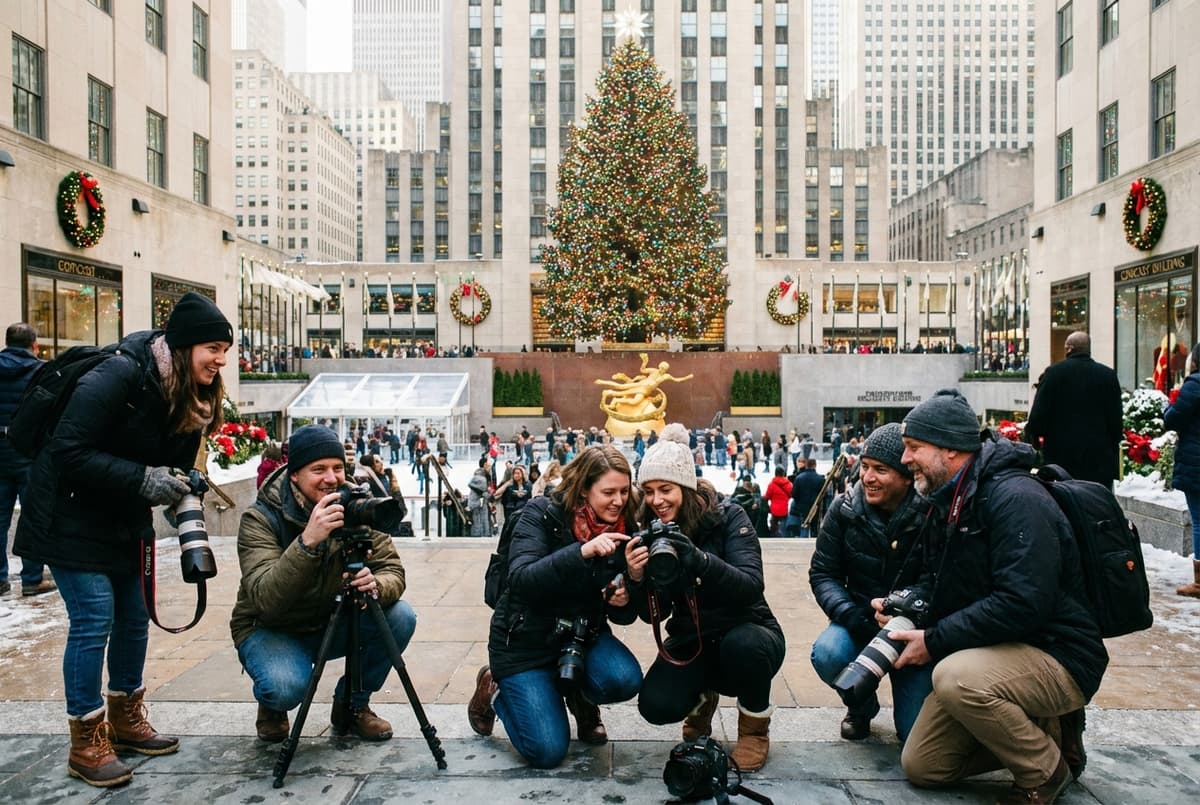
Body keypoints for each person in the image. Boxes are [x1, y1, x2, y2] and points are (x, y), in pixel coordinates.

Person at [13, 292, 233, 787]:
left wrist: (179, 486)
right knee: (95, 619)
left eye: (225, 350)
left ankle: (126, 718)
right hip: (68, 512)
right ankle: (86, 738)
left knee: (134, 618)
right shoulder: (120, 374)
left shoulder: (191, 393)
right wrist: (143, 480)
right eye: (213, 348)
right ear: (184, 344)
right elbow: (67, 448)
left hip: (121, 515)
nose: (220, 360)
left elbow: (167, 461)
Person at [890, 390, 1107, 804]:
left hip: (1058, 653)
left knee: (953, 678)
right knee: (924, 766)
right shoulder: (951, 499)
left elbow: (1024, 601)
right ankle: (1046, 734)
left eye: (914, 448)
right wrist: (907, 605)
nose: (906, 459)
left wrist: (933, 640)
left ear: (950, 450)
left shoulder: (1016, 499)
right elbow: (942, 581)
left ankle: (1045, 769)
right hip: (995, 650)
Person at [231, 424, 417, 745]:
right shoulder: (261, 519)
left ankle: (352, 705)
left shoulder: (352, 504)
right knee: (284, 686)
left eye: (337, 468)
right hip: (273, 628)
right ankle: (272, 706)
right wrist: (307, 542)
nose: (331, 478)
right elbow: (265, 599)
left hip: (331, 621)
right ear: (294, 475)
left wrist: (375, 584)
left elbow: (392, 570)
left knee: (401, 617)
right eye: (318, 470)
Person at [467, 445, 643, 769]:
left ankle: (578, 695)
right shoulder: (541, 513)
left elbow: (626, 615)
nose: (618, 500)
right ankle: (493, 688)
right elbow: (521, 578)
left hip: (579, 637)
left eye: (623, 490)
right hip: (523, 644)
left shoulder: (625, 527)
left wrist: (628, 589)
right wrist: (581, 552)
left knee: (624, 679)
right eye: (608, 492)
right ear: (584, 490)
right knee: (547, 751)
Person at [627, 423, 785, 772]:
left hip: (748, 629)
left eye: (665, 489)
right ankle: (702, 699)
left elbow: (750, 584)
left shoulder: (728, 516)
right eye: (649, 491)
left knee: (744, 646)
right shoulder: (650, 529)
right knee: (655, 705)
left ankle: (754, 729)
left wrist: (699, 560)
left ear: (684, 484)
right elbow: (655, 613)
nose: (657, 500)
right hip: (692, 639)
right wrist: (638, 577)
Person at [808, 423, 932, 742]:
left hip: (911, 631)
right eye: (864, 467)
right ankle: (860, 706)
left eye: (880, 469)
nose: (868, 478)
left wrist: (908, 609)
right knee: (827, 652)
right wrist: (854, 616)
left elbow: (939, 578)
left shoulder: (933, 515)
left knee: (912, 734)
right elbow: (823, 573)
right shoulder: (844, 510)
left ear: (906, 476)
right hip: (858, 619)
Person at [1024, 331, 1123, 487]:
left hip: (1061, 459)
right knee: (1096, 504)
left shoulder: (1054, 373)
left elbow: (1038, 415)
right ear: (1088, 349)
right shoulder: (1108, 375)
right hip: (1098, 458)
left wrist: (1034, 439)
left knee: (1064, 503)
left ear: (1068, 349)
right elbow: (1116, 419)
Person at [0, 322, 53, 597]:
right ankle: (32, 578)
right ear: (34, 345)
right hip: (28, 452)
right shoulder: (40, 371)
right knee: (33, 515)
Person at [1164, 343, 1200, 598]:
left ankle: (1199, 583)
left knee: (1199, 521)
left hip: (1196, 462)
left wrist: (1168, 409)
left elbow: (1173, 419)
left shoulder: (1195, 385)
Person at [786, 458, 824, 538]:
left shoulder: (799, 478)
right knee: (814, 528)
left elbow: (794, 494)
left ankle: (803, 543)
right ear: (815, 465)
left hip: (802, 507)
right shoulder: (821, 479)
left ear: (806, 465)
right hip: (815, 507)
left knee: (804, 527)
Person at [761, 466, 792, 537]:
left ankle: (773, 537)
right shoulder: (788, 484)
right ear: (783, 473)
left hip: (774, 510)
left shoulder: (771, 484)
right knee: (784, 525)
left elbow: (767, 496)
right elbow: (791, 495)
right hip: (784, 509)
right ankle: (784, 537)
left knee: (773, 526)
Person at [467, 457, 494, 536]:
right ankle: (480, 535)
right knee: (479, 521)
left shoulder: (483, 475)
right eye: (489, 465)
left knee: (480, 520)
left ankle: (481, 535)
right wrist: (487, 494)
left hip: (479, 502)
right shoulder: (481, 476)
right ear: (485, 465)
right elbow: (483, 489)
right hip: (478, 503)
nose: (490, 466)